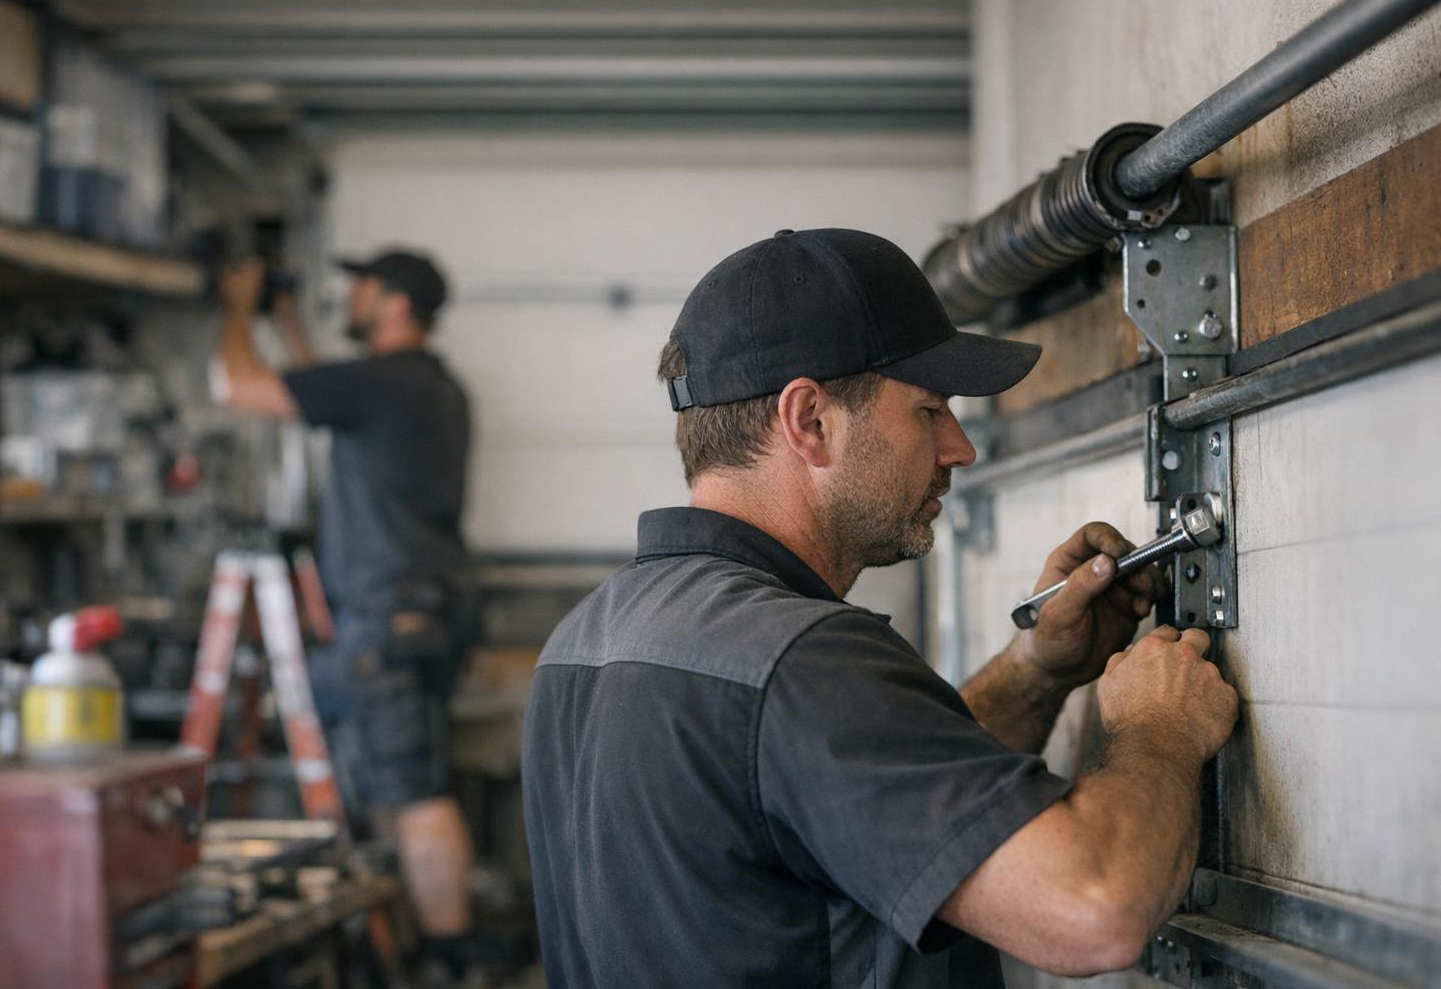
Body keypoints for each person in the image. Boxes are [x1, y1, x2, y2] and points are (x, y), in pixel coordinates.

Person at [520, 228, 1240, 987]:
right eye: (931, 411)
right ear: (810, 421)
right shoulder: (798, 661)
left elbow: (851, 807)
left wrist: (1038, 672)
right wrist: (1158, 728)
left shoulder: (586, 642)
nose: (959, 448)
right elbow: (1096, 910)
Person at [214, 249, 478, 984]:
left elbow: (235, 384)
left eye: (362, 286)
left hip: (390, 613)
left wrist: (238, 305)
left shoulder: (379, 384)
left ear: (393, 303)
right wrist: (291, 323)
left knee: (416, 795)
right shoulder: (425, 386)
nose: (349, 297)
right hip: (425, 606)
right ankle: (428, 953)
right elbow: (324, 397)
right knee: (403, 790)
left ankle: (448, 965)